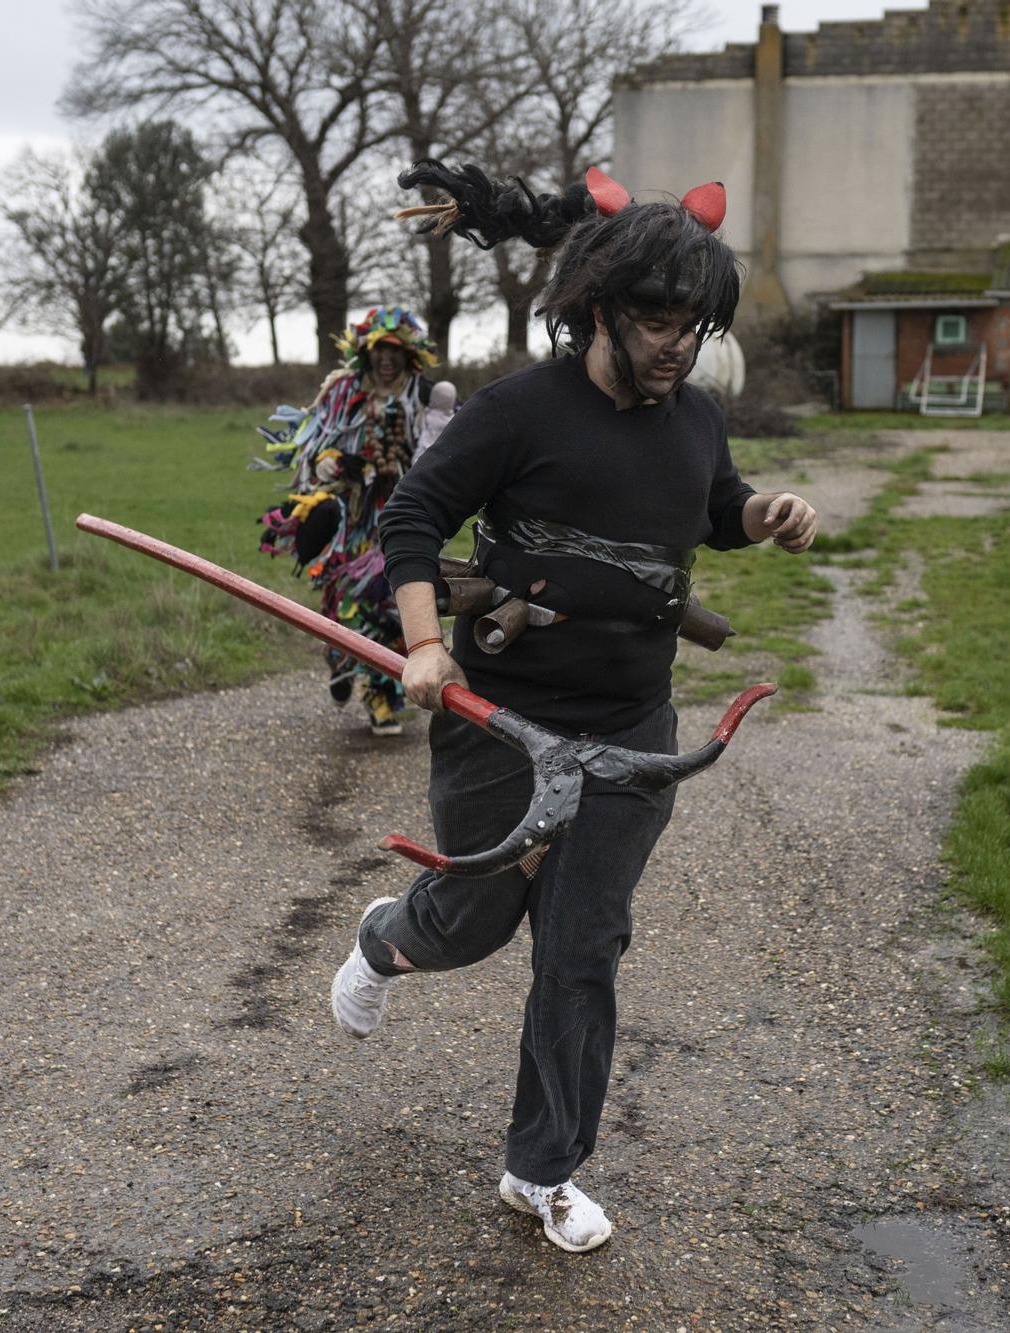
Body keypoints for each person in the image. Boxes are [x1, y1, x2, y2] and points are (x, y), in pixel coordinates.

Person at [329, 162, 819, 1252]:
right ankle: (385, 938)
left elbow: (712, 503)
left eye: (690, 326)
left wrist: (763, 512)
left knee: (581, 948)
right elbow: (410, 520)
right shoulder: (516, 412)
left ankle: (540, 1171)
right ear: (596, 309)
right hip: (500, 718)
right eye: (653, 321)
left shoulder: (691, 417)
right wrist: (417, 646)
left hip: (629, 735)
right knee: (475, 920)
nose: (674, 346)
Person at [252, 307, 449, 735]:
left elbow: (440, 447)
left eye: (396, 351)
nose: (387, 359)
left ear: (409, 356)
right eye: (380, 349)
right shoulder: (343, 392)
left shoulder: (422, 395)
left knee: (391, 606)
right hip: (350, 521)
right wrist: (335, 464)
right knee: (347, 604)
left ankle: (382, 698)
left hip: (400, 519)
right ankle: (340, 657)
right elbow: (316, 447)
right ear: (366, 352)